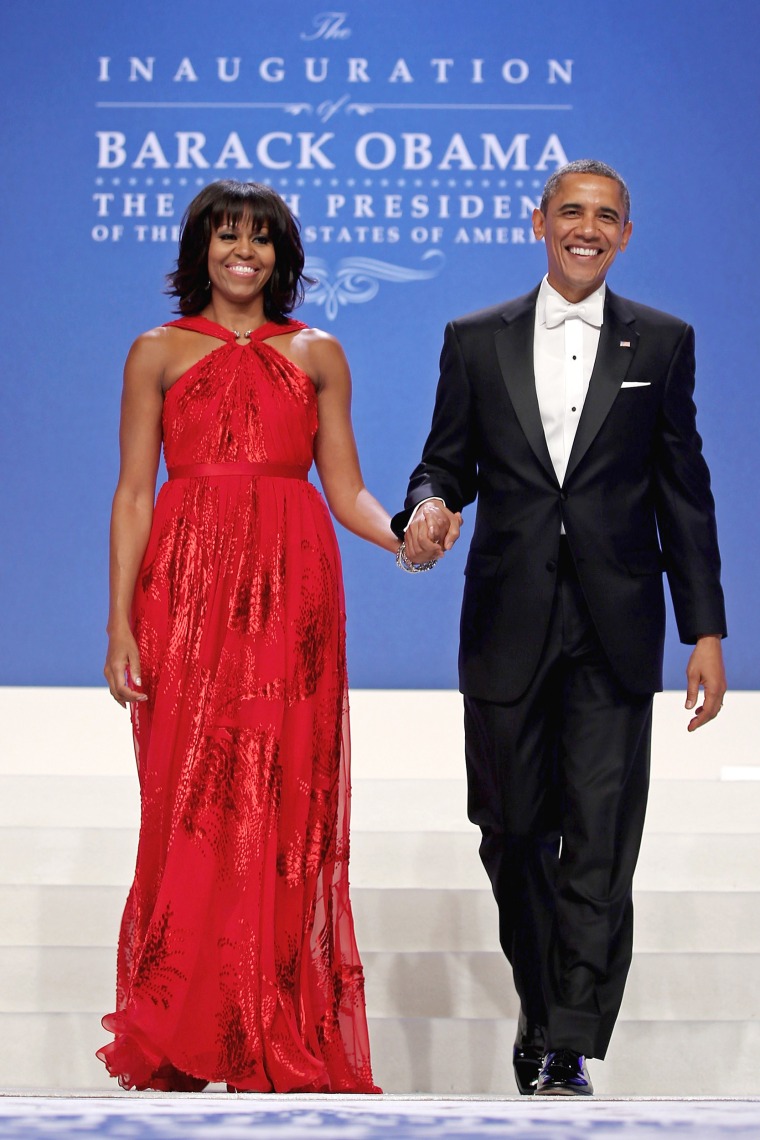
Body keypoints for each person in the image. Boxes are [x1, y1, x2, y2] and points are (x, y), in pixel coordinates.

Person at [392, 159, 727, 1096]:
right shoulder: (473, 339)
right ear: (537, 221)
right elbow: (442, 462)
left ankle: (567, 1037)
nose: (587, 228)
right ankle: (545, 1008)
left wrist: (704, 629)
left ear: (627, 233)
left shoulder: (662, 342)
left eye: (606, 216)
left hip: (617, 625)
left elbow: (683, 492)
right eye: (571, 212)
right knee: (509, 829)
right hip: (508, 619)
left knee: (602, 835)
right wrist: (425, 509)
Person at [99, 179, 436, 1093]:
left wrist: (404, 533)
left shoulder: (319, 353)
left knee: (285, 800)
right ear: (199, 249)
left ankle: (267, 1030)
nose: (242, 252)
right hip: (189, 590)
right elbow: (135, 493)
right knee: (190, 800)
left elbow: (346, 488)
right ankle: (180, 1030)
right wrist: (120, 622)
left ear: (284, 257)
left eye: (260, 238)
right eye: (225, 236)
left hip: (293, 595)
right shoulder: (156, 353)